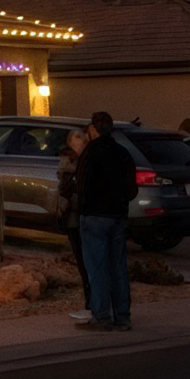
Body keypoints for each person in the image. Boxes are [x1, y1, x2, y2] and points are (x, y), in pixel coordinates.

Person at [75, 111, 137, 330]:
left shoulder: (90, 153)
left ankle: (102, 315)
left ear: (93, 130)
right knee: (118, 267)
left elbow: (81, 184)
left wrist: (84, 208)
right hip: (118, 215)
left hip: (94, 215)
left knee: (97, 267)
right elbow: (131, 189)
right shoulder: (122, 153)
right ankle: (122, 315)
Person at [56, 128, 92, 321]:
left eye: (83, 137)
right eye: (77, 138)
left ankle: (93, 303)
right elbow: (64, 189)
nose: (83, 140)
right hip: (74, 219)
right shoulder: (70, 164)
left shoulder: (86, 162)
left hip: (85, 217)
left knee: (89, 263)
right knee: (83, 262)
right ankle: (90, 302)